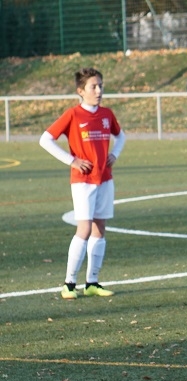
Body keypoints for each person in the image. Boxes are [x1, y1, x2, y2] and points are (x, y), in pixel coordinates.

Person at [39, 67, 126, 300]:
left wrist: (115, 154)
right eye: (93, 87)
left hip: (105, 178)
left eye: (100, 86)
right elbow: (45, 139)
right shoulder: (73, 115)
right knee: (84, 229)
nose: (98, 91)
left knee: (99, 228)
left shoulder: (107, 114)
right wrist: (72, 160)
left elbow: (121, 136)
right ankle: (69, 284)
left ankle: (92, 282)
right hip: (83, 181)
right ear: (80, 91)